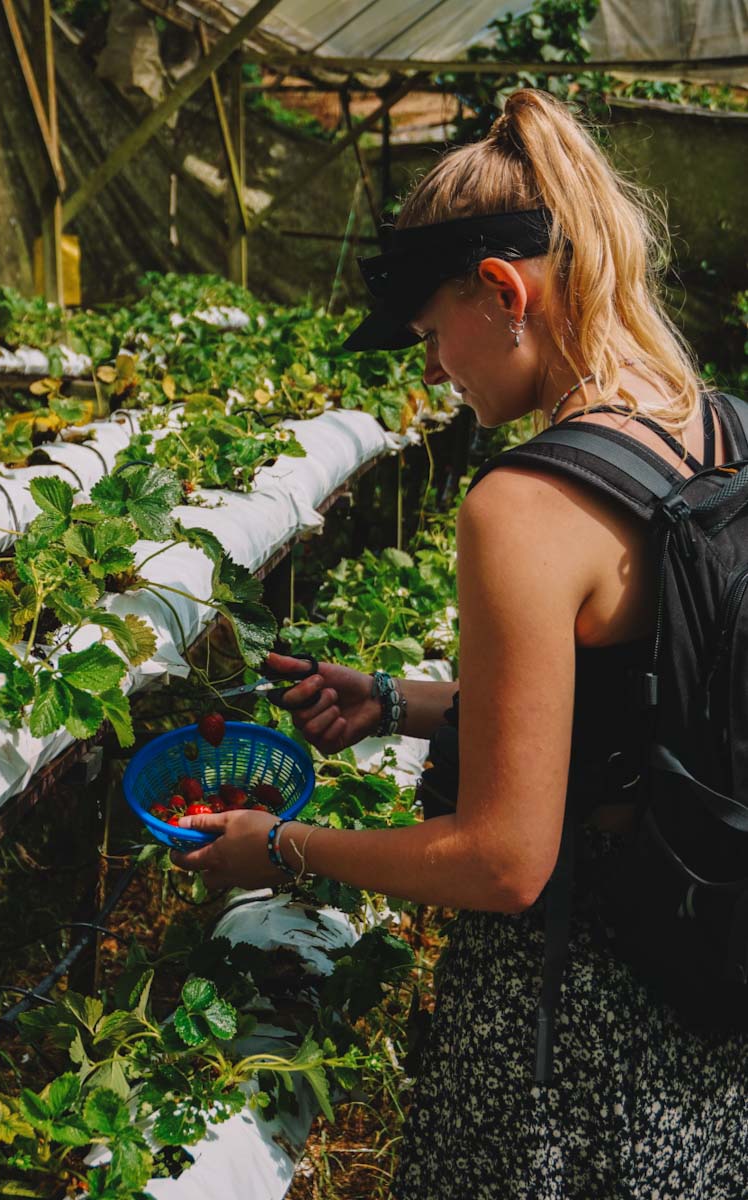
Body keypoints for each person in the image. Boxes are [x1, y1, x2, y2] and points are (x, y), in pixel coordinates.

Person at [171, 89, 748, 1198]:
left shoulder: (524, 505)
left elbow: (504, 860)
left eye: (436, 334)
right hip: (700, 1004)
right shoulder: (710, 423)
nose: (436, 367)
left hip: (568, 1039)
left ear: (502, 290)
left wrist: (281, 848)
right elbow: (639, 692)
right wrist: (399, 700)